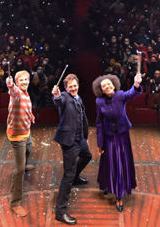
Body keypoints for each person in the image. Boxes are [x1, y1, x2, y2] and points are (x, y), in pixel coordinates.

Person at [93, 72, 143, 212]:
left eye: (109, 84)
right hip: (108, 137)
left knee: (120, 164)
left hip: (122, 136)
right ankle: (109, 185)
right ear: (101, 90)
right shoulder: (99, 102)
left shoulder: (120, 95)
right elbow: (99, 123)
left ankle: (119, 196)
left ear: (114, 85)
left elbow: (132, 93)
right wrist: (100, 143)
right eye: (104, 86)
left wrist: (136, 84)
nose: (107, 87)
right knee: (110, 163)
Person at [52, 74, 91, 225]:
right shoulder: (64, 97)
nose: (73, 88)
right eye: (70, 87)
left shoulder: (78, 98)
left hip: (80, 139)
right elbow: (58, 101)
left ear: (78, 85)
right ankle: (60, 212)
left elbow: (83, 118)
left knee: (87, 156)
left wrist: (85, 137)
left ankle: (75, 177)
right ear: (66, 88)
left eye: (75, 85)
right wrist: (56, 95)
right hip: (69, 142)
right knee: (68, 175)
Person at [6, 71, 36, 218]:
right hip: (17, 135)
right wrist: (10, 85)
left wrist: (30, 115)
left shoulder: (26, 93)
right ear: (17, 83)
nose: (24, 82)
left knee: (29, 148)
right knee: (19, 170)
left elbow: (25, 107)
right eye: (21, 80)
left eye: (26, 79)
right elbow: (13, 92)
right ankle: (15, 203)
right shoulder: (16, 93)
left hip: (26, 130)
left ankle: (25, 164)